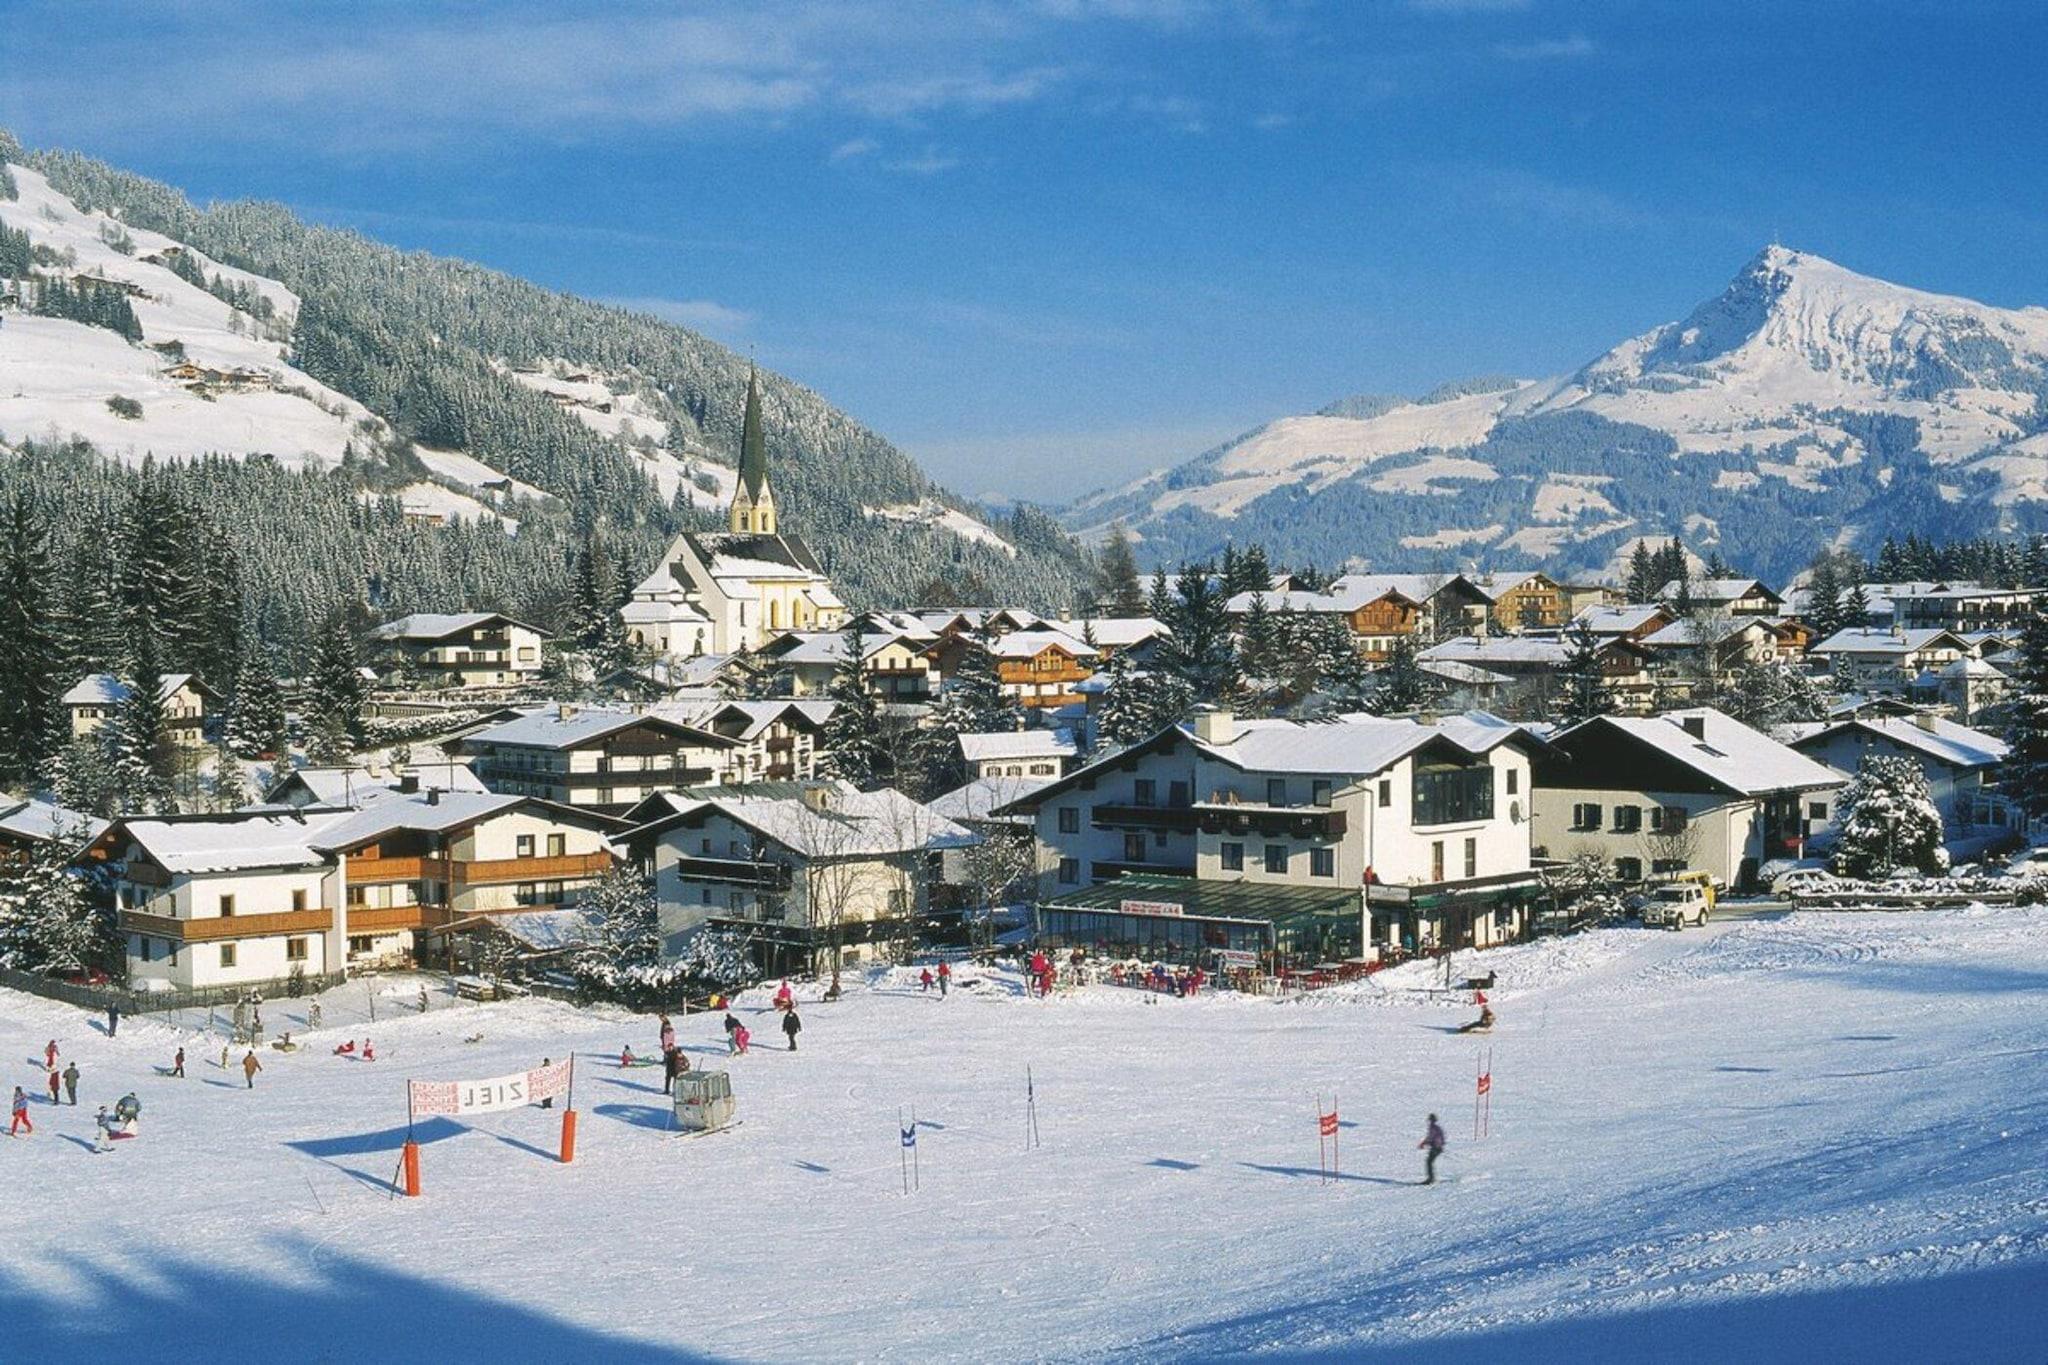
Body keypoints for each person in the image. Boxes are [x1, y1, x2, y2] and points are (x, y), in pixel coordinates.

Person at [1419, 1113, 1446, 1185]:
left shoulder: (1433, 1128)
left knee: (1429, 1162)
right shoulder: (1437, 1127)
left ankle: (1431, 1179)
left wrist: (1423, 1143)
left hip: (1436, 1147)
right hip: (1438, 1147)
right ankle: (1431, 1178)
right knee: (1430, 1162)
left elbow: (1430, 1137)